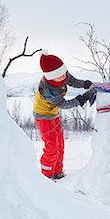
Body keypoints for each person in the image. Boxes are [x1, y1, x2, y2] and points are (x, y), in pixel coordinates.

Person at [33, 50, 94, 180]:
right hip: (43, 117)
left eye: (63, 73)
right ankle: (46, 177)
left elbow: (72, 81)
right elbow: (64, 104)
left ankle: (57, 173)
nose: (63, 77)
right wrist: (81, 99)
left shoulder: (62, 74)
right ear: (50, 77)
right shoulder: (47, 90)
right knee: (52, 146)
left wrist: (84, 84)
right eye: (59, 76)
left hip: (53, 114)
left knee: (60, 143)